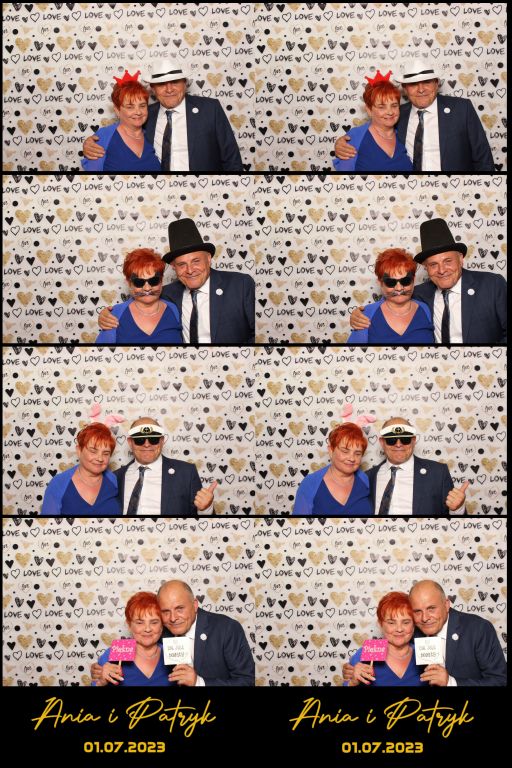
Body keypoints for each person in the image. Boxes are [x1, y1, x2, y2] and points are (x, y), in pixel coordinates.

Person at [349, 218, 507, 344]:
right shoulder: (420, 294)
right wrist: (358, 315)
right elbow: (392, 300)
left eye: (448, 261)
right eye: (433, 264)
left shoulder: (492, 285)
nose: (441, 270)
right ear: (426, 268)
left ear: (460, 259)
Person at [98, 218, 255, 344]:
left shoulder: (241, 285)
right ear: (174, 267)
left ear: (208, 258)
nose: (190, 270)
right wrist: (106, 314)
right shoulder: (169, 294)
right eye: (181, 264)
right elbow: (141, 300)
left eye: (196, 261)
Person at [334, 57, 494, 172]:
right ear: (404, 88)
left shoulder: (462, 109)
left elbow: (483, 158)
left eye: (427, 82)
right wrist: (343, 143)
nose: (421, 89)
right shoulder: (398, 115)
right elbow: (374, 130)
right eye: (413, 84)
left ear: (436, 84)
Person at [82, 58, 243, 172]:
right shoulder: (146, 115)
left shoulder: (210, 109)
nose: (169, 89)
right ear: (152, 88)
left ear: (185, 83)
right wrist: (92, 142)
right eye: (161, 84)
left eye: (175, 82)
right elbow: (122, 130)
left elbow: (232, 159)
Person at [92, 580, 255, 686]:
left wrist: (199, 683)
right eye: (165, 611)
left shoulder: (226, 628)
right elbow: (100, 675)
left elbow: (246, 681)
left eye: (180, 608)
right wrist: (99, 676)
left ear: (195, 605)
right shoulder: (157, 636)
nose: (173, 618)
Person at [344, 580, 507, 686]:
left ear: (446, 605)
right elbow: (353, 674)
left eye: (431, 608)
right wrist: (351, 675)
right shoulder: (409, 635)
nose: (425, 618)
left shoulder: (478, 629)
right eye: (417, 611)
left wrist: (451, 683)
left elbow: (500, 680)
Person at [366, 418, 468, 516]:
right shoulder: (367, 477)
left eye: (405, 439)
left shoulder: (438, 473)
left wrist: (457, 509)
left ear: (413, 441)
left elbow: (455, 522)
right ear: (382, 442)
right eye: (391, 440)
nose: (398, 444)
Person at [115, 417, 216, 515]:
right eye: (139, 439)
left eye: (153, 439)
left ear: (162, 441)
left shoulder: (186, 473)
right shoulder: (115, 477)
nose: (147, 444)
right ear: (130, 442)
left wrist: (206, 509)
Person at [95, 248, 182, 344]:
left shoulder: (174, 309)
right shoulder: (115, 314)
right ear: (129, 283)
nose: (147, 288)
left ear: (161, 280)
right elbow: (101, 352)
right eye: (139, 282)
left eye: (154, 281)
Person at [347, 248, 434, 343]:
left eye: (405, 281)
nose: (399, 288)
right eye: (390, 282)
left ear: (413, 280)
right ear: (380, 283)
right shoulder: (366, 314)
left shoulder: (425, 309)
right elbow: (353, 351)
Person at [333, 71, 413, 172]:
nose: (390, 112)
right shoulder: (355, 136)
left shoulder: (404, 133)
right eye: (381, 107)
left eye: (394, 106)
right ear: (369, 110)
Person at [81, 71, 160, 172]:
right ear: (117, 110)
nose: (138, 112)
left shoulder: (152, 133)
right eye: (130, 107)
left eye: (142, 106)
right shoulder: (104, 136)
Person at [346, 592, 427, 687]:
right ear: (381, 624)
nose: (399, 629)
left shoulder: (425, 654)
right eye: (391, 623)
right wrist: (352, 683)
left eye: (406, 622)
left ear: (414, 624)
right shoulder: (363, 655)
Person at [292, 422, 373, 516]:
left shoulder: (365, 479)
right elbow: (299, 523)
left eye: (357, 454)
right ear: (331, 451)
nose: (352, 458)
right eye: (345, 451)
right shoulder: (310, 483)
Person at [41, 423, 120, 516]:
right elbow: (47, 523)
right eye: (93, 451)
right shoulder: (59, 483)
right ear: (79, 451)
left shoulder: (113, 479)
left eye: (106, 453)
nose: (100, 458)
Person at [94, 592, 170, 687]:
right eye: (139, 623)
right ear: (129, 625)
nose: (147, 629)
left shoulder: (173, 654)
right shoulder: (111, 655)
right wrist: (101, 683)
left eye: (154, 622)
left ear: (162, 625)